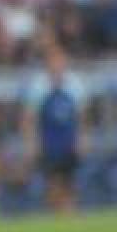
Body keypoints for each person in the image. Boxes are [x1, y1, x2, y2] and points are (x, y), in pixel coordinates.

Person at [21, 45, 88, 214]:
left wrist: (82, 139)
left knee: (70, 182)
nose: (57, 65)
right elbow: (29, 118)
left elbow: (82, 116)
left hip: (68, 140)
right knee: (52, 183)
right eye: (53, 62)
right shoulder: (39, 86)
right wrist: (31, 143)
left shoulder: (74, 84)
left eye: (60, 61)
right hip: (49, 142)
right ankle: (56, 214)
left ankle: (70, 215)